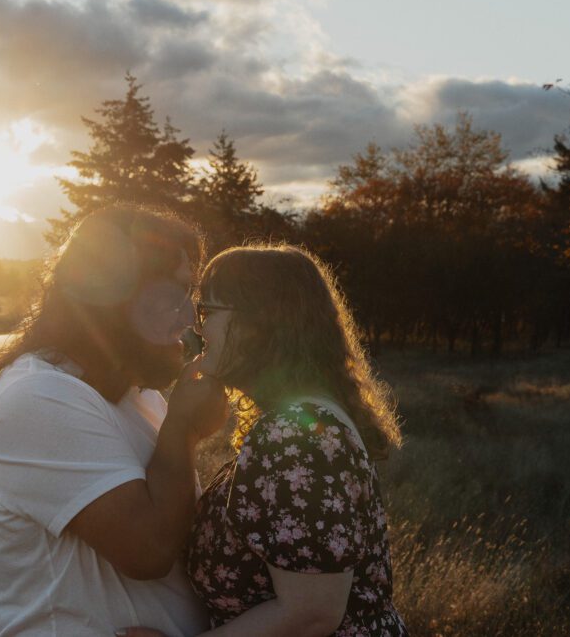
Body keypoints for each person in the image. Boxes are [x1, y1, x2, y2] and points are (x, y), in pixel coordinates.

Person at [0, 206, 228, 637]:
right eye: (172, 296)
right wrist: (183, 427)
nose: (188, 319)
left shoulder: (137, 396)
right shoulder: (35, 398)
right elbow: (149, 550)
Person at [123, 244, 407, 637]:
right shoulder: (295, 424)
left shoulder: (296, 434)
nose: (196, 326)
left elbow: (311, 614)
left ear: (261, 325)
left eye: (208, 312)